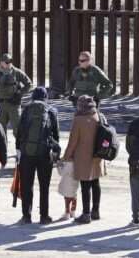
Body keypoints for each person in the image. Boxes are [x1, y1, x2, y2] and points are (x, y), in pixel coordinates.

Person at [15, 87, 60, 224]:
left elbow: (19, 131)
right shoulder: (51, 111)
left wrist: (18, 150)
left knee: (26, 185)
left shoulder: (26, 109)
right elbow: (56, 135)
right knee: (44, 186)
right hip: (44, 153)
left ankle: (26, 216)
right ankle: (44, 216)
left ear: (33, 97)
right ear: (46, 97)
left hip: (27, 152)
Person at [63, 95, 106, 224]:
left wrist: (66, 156)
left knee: (85, 185)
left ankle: (86, 214)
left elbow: (73, 142)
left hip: (83, 157)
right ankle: (96, 211)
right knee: (96, 183)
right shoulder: (99, 116)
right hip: (97, 156)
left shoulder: (79, 120)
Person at [0, 53, 32, 137]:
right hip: (1, 105)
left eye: (10, 61)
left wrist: (20, 94)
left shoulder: (17, 72)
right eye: (6, 61)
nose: (8, 63)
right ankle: (2, 149)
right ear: (1, 62)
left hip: (14, 105)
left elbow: (29, 84)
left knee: (18, 129)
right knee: (0, 130)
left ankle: (19, 149)